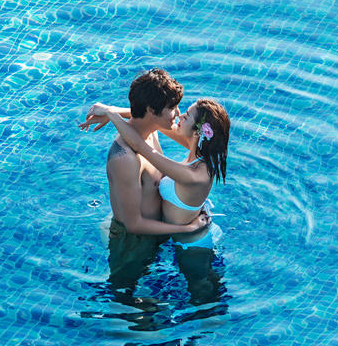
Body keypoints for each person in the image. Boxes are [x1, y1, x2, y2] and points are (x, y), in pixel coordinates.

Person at [78, 69, 210, 295]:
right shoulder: (125, 158)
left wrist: (111, 112)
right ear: (151, 110)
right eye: (172, 107)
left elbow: (144, 119)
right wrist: (185, 228)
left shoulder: (153, 131)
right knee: (127, 300)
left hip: (158, 232)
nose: (178, 114)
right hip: (133, 243)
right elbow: (133, 224)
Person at [85, 97, 230, 253]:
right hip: (181, 233)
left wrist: (110, 113)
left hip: (192, 242)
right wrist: (113, 111)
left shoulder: (194, 175)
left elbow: (138, 145)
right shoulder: (201, 152)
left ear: (197, 132)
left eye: (187, 116)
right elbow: (155, 121)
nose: (180, 116)